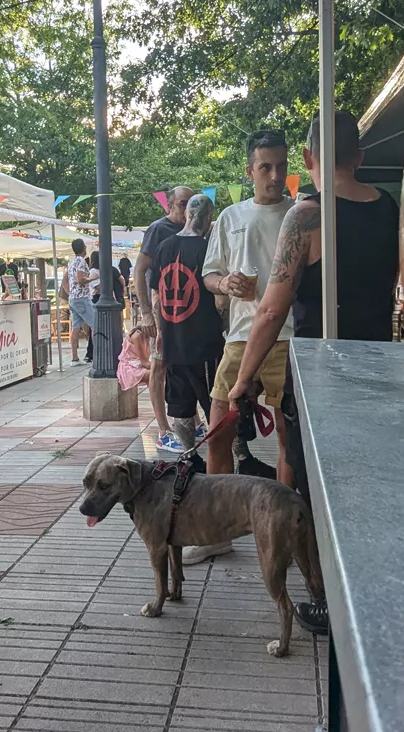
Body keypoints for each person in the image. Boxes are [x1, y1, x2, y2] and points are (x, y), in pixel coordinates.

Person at [229, 110, 399, 635]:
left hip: (321, 375)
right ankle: (372, 585)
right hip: (378, 366)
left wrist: (242, 380)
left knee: (316, 492)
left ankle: (327, 600)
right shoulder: (389, 207)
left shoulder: (305, 217)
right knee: (368, 486)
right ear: (362, 157)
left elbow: (271, 310)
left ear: (307, 160)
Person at [193, 130, 297, 565]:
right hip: (239, 336)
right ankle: (217, 531)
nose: (275, 176)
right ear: (249, 171)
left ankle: (288, 532)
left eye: (281, 166)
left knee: (291, 442)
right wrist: (225, 283)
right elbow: (209, 275)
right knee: (218, 432)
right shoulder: (230, 216)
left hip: (291, 336)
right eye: (265, 167)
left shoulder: (303, 214)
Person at [151, 194, 224, 451]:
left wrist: (161, 329)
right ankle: (223, 460)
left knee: (181, 406)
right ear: (208, 217)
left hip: (173, 341)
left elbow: (157, 295)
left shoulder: (163, 248)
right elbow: (220, 301)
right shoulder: (208, 250)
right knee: (216, 404)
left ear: (186, 215)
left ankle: (189, 458)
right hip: (206, 345)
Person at [135, 186, 195, 450]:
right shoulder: (158, 230)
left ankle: (189, 418)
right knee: (158, 366)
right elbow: (139, 271)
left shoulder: (196, 230)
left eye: (191, 203)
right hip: (162, 311)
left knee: (186, 363)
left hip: (187, 310)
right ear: (169, 205)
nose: (188, 209)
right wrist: (146, 312)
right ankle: (162, 430)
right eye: (183, 204)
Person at [66, 238, 94, 365]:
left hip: (73, 298)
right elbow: (80, 279)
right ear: (83, 248)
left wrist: (70, 292)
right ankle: (98, 355)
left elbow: (66, 281)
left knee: (75, 327)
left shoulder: (71, 262)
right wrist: (92, 278)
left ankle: (74, 358)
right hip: (82, 298)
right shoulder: (82, 261)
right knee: (96, 324)